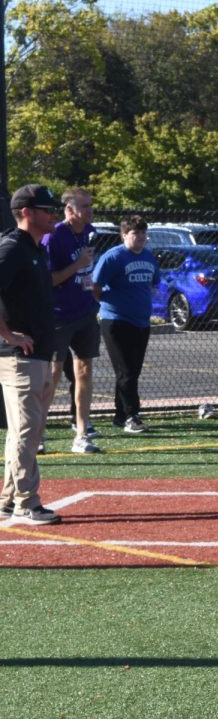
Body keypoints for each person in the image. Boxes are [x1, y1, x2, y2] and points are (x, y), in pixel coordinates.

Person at [0, 185, 62, 525]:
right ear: (26, 212)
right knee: (26, 431)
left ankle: (9, 500)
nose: (53, 214)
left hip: (37, 354)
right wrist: (8, 334)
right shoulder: (12, 248)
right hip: (17, 356)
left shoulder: (34, 249)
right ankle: (27, 502)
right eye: (46, 209)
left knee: (28, 431)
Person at [42, 187, 102, 453]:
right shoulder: (52, 237)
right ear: (69, 210)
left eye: (90, 205)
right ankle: (38, 433)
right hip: (58, 316)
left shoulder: (89, 233)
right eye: (84, 206)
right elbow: (49, 281)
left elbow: (88, 273)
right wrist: (76, 266)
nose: (89, 211)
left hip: (85, 313)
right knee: (53, 374)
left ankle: (81, 432)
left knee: (85, 371)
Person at [91, 215, 160, 434]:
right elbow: (95, 286)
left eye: (143, 233)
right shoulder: (114, 257)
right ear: (124, 235)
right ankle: (133, 416)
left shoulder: (149, 257)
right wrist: (106, 307)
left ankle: (120, 416)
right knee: (126, 371)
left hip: (141, 322)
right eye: (135, 233)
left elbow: (154, 284)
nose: (140, 237)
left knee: (132, 371)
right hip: (116, 321)